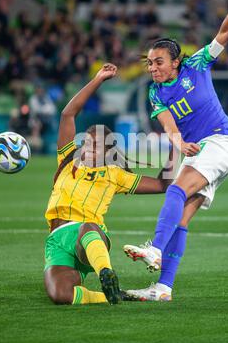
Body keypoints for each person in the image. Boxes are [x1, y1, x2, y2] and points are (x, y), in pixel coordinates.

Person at [123, 0, 228, 301]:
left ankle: (155, 248)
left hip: (220, 143)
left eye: (158, 62)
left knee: (175, 192)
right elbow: (168, 123)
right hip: (199, 149)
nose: (152, 68)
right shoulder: (155, 92)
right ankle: (163, 288)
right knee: (181, 217)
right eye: (150, 63)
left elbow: (225, 33)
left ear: (175, 61)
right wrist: (177, 140)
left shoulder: (197, 65)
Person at [44, 63, 176, 306]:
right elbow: (67, 115)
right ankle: (111, 295)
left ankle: (106, 272)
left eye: (96, 146)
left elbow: (162, 184)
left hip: (89, 237)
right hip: (57, 239)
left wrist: (174, 145)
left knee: (87, 227)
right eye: (87, 143)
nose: (88, 149)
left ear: (107, 153)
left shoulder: (114, 175)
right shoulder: (66, 159)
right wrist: (97, 80)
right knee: (60, 295)